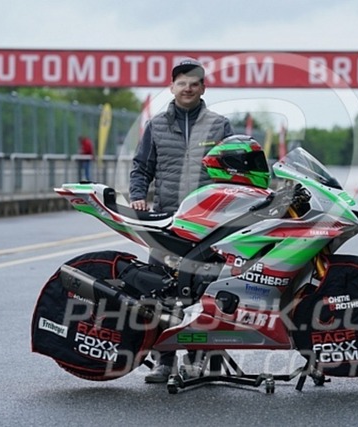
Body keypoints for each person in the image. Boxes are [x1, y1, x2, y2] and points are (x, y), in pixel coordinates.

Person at [129, 58, 233, 383]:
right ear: (172, 87)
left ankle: (203, 358)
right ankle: (164, 361)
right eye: (182, 83)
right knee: (161, 292)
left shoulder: (219, 125)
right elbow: (141, 166)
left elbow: (235, 169)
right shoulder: (156, 125)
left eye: (194, 83)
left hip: (210, 222)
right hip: (168, 220)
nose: (187, 88)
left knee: (207, 292)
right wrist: (138, 195)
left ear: (203, 88)